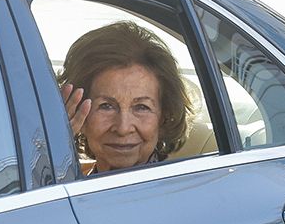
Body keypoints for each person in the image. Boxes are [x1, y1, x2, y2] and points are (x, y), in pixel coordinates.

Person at [59, 21, 193, 174]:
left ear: (164, 117)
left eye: (142, 107)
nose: (123, 128)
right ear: (78, 114)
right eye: (106, 106)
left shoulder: (181, 192)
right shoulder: (68, 179)